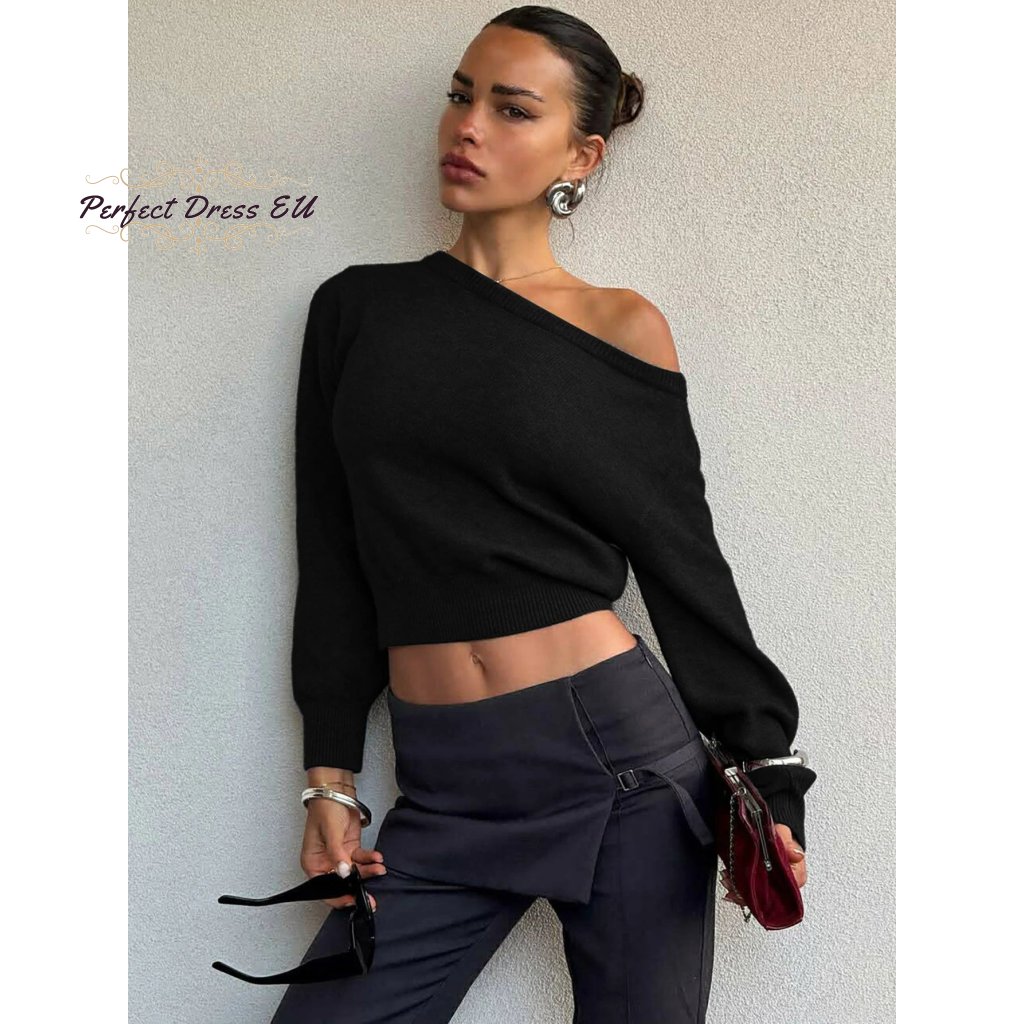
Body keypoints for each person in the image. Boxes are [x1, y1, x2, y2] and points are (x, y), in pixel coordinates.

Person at [271, 7, 817, 1023]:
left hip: (617, 766)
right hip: (441, 782)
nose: (468, 126)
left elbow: (681, 556)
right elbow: (335, 556)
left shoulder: (619, 326)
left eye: (513, 109)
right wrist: (329, 779)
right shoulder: (355, 311)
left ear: (581, 154)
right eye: (461, 96)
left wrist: (766, 770)